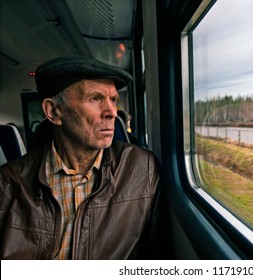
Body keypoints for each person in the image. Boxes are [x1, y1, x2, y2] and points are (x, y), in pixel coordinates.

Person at [0, 55, 167, 259]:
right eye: (95, 99)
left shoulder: (142, 169)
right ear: (53, 112)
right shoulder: (8, 182)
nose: (112, 112)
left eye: (113, 99)